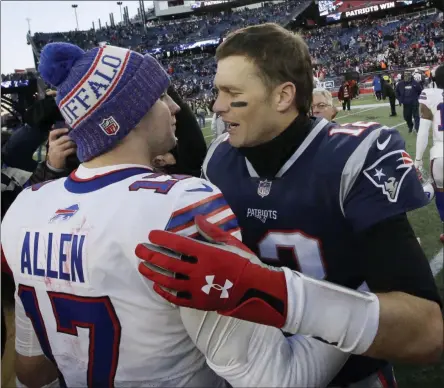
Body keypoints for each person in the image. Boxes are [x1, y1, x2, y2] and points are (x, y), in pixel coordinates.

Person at [2, 42, 350, 388]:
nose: (174, 108)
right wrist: (360, 297)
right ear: (130, 113)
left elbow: (33, 372)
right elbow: (277, 379)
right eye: (160, 97)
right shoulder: (181, 205)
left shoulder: (26, 206)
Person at [136, 23, 443, 388]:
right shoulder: (219, 159)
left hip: (353, 376)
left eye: (230, 92)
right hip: (254, 367)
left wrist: (271, 289)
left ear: (283, 96)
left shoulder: (351, 157)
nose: (216, 106)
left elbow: (427, 332)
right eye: (217, 91)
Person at [415, 64, 444, 243]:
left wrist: (418, 160)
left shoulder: (430, 95)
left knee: (441, 192)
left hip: (440, 153)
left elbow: (423, 131)